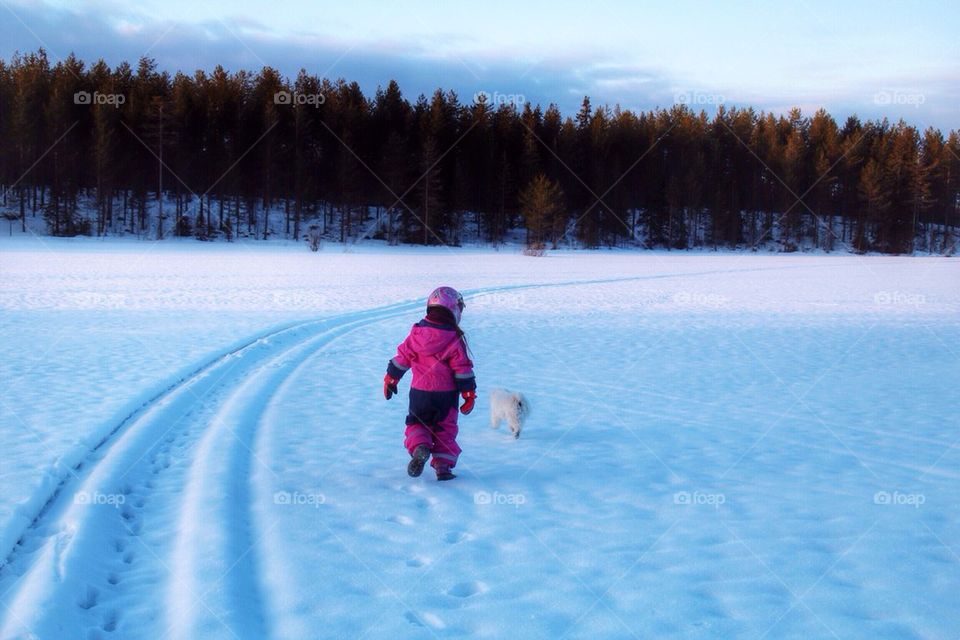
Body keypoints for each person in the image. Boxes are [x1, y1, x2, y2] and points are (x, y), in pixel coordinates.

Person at [384, 286, 476, 481]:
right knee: (445, 430)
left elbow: (403, 358)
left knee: (417, 423)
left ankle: (420, 446)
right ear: (454, 310)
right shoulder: (454, 337)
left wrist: (391, 378)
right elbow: (462, 368)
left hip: (420, 394)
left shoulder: (417, 334)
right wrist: (468, 394)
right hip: (446, 397)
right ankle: (443, 467)